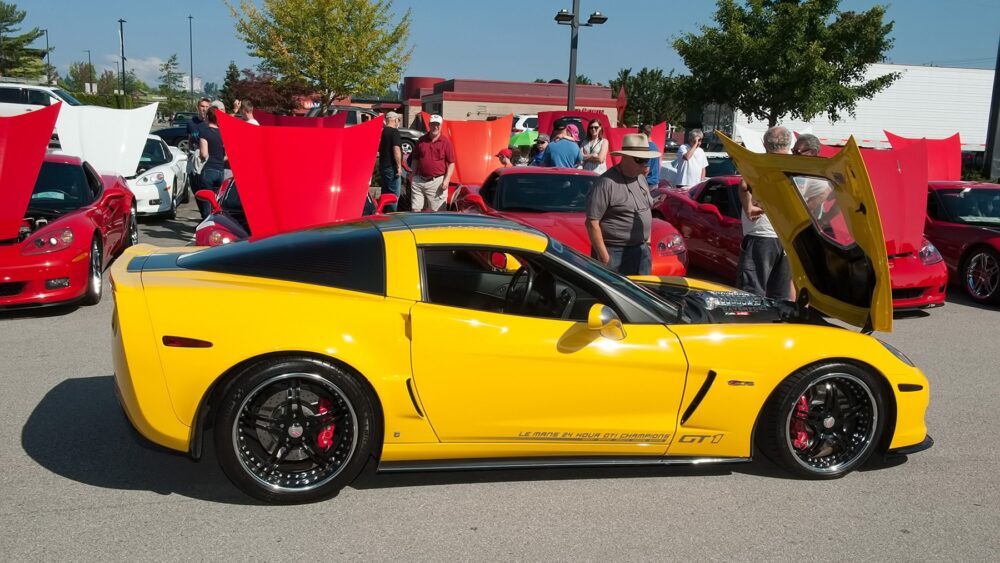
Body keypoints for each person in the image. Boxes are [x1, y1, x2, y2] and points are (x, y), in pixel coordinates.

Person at [585, 133, 660, 275]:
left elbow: (645, 210)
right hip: (614, 252)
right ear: (624, 157)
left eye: (646, 160)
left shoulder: (641, 179)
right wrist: (605, 257)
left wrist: (648, 244)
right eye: (639, 159)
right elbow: (592, 222)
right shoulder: (606, 182)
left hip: (640, 250)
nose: (644, 164)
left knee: (641, 295)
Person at [735, 125, 793, 299]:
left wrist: (749, 208)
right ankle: (778, 325)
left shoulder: (759, 164)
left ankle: (752, 325)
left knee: (751, 293)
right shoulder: (797, 166)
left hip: (761, 234)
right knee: (780, 295)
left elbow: (744, 185)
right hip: (787, 237)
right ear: (789, 144)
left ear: (764, 143)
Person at [410, 114, 455, 211]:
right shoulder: (421, 140)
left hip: (437, 182)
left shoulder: (446, 142)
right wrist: (412, 176)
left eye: (437, 124)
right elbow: (415, 159)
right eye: (433, 124)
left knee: (437, 213)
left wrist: (447, 180)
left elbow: (451, 163)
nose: (435, 127)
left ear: (441, 125)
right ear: (429, 125)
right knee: (415, 210)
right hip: (419, 180)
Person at [195, 108, 227, 219]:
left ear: (208, 118)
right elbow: (226, 155)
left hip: (208, 169)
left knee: (206, 202)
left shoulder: (205, 132)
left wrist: (197, 156)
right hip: (220, 171)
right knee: (216, 201)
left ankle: (207, 225)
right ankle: (216, 225)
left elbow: (204, 154)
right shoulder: (223, 133)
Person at [378, 111, 403, 212]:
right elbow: (396, 149)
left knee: (385, 194)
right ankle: (392, 219)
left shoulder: (382, 132)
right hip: (392, 168)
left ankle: (384, 216)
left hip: (383, 167)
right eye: (398, 120)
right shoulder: (394, 132)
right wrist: (399, 166)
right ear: (395, 119)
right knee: (393, 196)